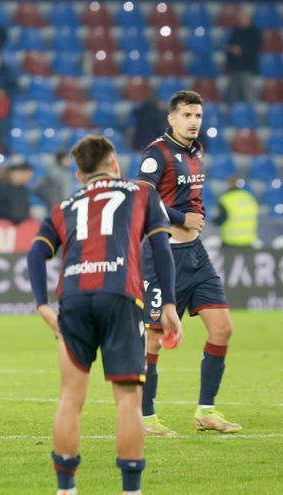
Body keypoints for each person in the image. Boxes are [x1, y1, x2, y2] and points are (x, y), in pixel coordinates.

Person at [27, 135, 181, 495]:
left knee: (70, 396)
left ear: (79, 175)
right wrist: (170, 304)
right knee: (128, 398)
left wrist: (42, 305)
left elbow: (36, 255)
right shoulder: (142, 193)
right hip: (120, 295)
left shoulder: (65, 205)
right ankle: (131, 490)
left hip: (75, 299)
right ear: (114, 164)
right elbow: (161, 247)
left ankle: (66, 489)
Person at [137, 91, 242, 435]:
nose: (194, 121)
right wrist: (182, 217)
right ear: (171, 118)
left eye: (198, 115)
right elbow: (143, 197)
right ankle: (145, 416)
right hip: (162, 255)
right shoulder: (157, 153)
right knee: (153, 340)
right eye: (186, 115)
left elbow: (192, 197)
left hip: (196, 255)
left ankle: (206, 410)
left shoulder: (195, 152)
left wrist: (197, 215)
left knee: (223, 328)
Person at [225, 9, 261, 102]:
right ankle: (231, 114)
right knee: (232, 95)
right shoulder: (236, 31)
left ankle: (251, 113)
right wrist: (232, 50)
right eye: (241, 17)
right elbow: (230, 47)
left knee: (249, 94)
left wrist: (241, 51)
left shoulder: (255, 32)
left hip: (247, 67)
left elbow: (254, 49)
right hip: (235, 67)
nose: (242, 19)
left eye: (244, 17)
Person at [215, 178, 259, 248]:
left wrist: (213, 221)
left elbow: (220, 220)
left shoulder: (225, 199)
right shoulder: (249, 197)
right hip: (248, 240)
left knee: (229, 259)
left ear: (228, 185)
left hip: (230, 241)